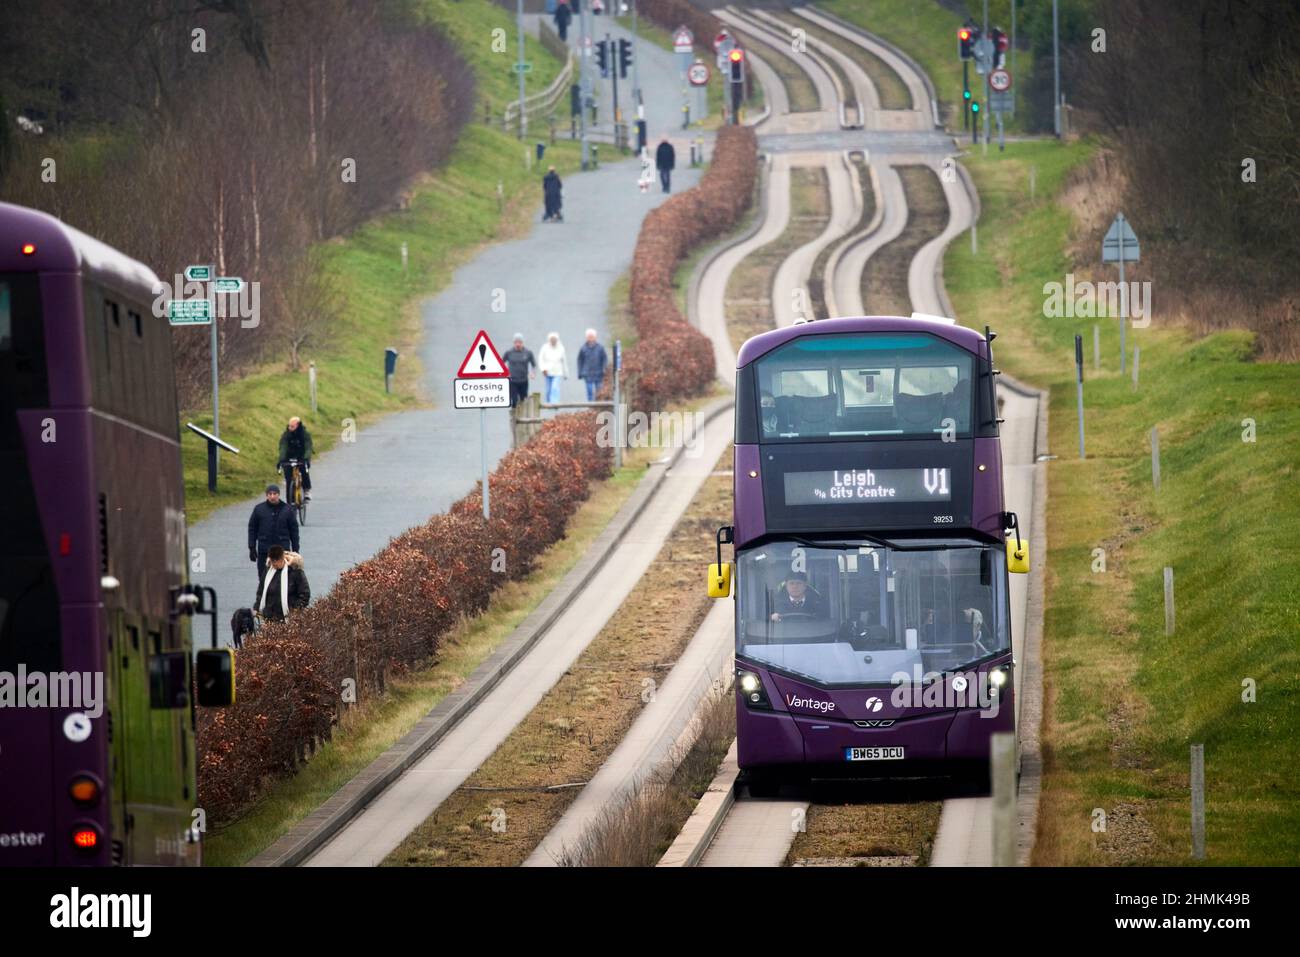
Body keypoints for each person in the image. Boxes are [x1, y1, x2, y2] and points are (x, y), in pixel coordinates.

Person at [247, 484, 299, 584]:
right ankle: (262, 599)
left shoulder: (287, 510)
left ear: (278, 495)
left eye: (274, 494)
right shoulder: (259, 509)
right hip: (264, 550)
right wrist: (252, 547)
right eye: (269, 494)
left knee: (282, 579)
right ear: (266, 495)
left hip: (282, 550)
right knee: (263, 578)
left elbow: (294, 530)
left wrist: (296, 549)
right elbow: (252, 528)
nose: (272, 496)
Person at [254, 545, 310, 623]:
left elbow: (305, 594)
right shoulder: (268, 571)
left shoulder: (296, 571)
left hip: (289, 617)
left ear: (282, 558)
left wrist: (295, 610)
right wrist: (257, 608)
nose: (274, 563)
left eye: (276, 560)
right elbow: (261, 591)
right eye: (272, 560)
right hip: (269, 617)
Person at [278, 415, 314, 501]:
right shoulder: (286, 435)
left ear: (298, 425)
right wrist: (281, 459)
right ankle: (289, 500)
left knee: (304, 470)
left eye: (292, 426)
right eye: (289, 426)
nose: (290, 428)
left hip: (302, 456)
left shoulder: (305, 434)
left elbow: (308, 447)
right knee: (288, 478)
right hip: (289, 456)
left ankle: (306, 490)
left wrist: (306, 458)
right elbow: (283, 447)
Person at [503, 334, 537, 408]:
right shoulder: (509, 353)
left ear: (523, 343)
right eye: (516, 342)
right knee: (514, 401)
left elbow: (534, 365)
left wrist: (533, 373)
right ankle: (514, 418)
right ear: (514, 343)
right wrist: (504, 374)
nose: (518, 344)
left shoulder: (528, 353)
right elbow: (501, 363)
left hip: (524, 381)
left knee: (523, 400)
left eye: (520, 342)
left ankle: (523, 418)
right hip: (513, 381)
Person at [576, 328, 608, 401]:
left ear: (595, 337)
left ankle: (598, 405)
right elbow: (580, 361)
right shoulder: (583, 348)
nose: (590, 338)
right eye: (589, 337)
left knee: (599, 391)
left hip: (598, 373)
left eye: (592, 336)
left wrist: (604, 368)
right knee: (589, 391)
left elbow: (604, 359)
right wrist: (580, 373)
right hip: (587, 373)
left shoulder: (600, 348)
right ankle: (591, 405)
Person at [538, 331, 568, 404]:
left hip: (557, 372)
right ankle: (549, 401)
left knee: (555, 388)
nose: (553, 341)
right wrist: (543, 369)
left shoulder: (561, 348)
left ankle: (555, 403)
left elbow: (564, 361)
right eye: (552, 339)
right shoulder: (544, 348)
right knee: (548, 390)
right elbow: (540, 359)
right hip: (548, 372)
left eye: (554, 339)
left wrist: (566, 373)